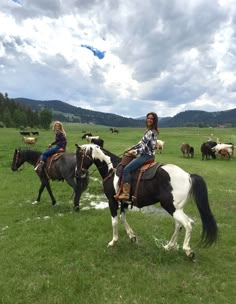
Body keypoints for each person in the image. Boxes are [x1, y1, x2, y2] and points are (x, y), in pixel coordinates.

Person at [115, 112, 159, 200]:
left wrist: (133, 152)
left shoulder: (151, 132)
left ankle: (126, 193)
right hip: (146, 154)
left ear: (154, 121)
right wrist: (131, 147)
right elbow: (141, 143)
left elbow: (144, 148)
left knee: (126, 169)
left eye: (151, 119)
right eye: (148, 118)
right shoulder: (148, 131)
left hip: (146, 156)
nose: (149, 120)